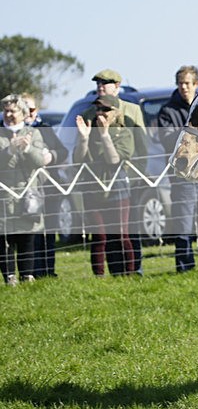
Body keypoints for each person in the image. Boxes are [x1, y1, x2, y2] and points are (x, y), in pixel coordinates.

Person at [158, 65, 198, 271]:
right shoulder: (167, 111)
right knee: (183, 225)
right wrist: (192, 137)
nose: (184, 87)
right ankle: (184, 268)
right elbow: (167, 139)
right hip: (182, 176)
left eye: (188, 83)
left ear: (196, 84)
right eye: (181, 83)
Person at [87, 69, 146, 274]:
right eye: (98, 83)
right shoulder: (91, 111)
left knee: (128, 231)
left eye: (106, 82)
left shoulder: (132, 110)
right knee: (106, 234)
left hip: (128, 176)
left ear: (117, 86)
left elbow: (142, 145)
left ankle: (134, 270)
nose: (101, 86)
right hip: (101, 179)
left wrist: (140, 174)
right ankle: (114, 271)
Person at [74, 95, 135, 276]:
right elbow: (78, 159)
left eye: (106, 110)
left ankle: (129, 274)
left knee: (121, 235)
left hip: (117, 188)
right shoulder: (89, 129)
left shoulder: (124, 132)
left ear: (116, 112)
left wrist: (105, 135)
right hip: (93, 188)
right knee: (99, 236)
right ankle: (99, 277)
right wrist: (84, 138)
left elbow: (114, 160)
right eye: (98, 109)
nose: (101, 113)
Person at [0, 95, 48, 286]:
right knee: (5, 239)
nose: (9, 114)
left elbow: (39, 163)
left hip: (28, 195)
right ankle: (9, 277)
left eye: (13, 111)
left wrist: (27, 149)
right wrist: (10, 151)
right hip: (4, 194)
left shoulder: (34, 133)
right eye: (6, 111)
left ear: (23, 113)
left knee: (27, 236)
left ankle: (27, 275)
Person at [22, 94, 68, 278]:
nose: (28, 114)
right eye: (24, 110)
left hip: (49, 188)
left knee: (48, 232)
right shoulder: (10, 132)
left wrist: (53, 156)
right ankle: (30, 273)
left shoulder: (45, 129)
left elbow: (63, 151)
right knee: (29, 234)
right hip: (24, 190)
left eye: (31, 110)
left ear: (37, 111)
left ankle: (49, 271)